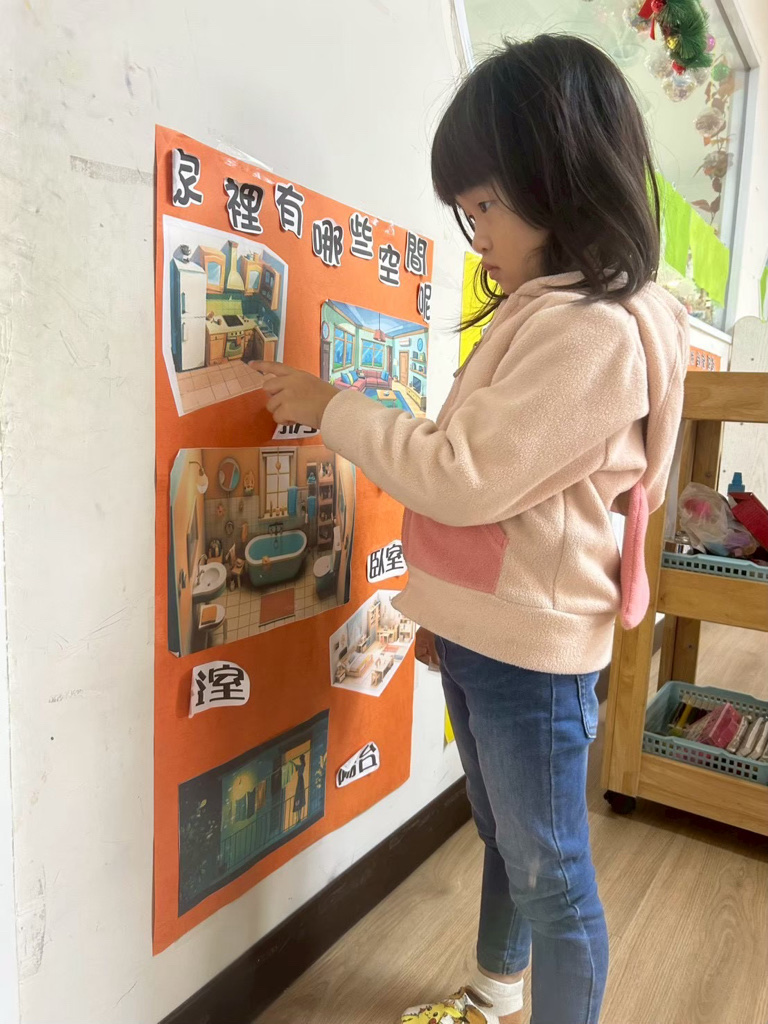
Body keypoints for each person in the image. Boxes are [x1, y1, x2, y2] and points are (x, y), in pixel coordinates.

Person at [255, 34, 687, 1024]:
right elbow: (502, 495)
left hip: (531, 652)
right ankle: (494, 994)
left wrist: (332, 406)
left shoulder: (591, 330)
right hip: (497, 634)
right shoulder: (549, 313)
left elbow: (462, 477)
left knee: (551, 873)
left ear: (558, 181)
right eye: (467, 209)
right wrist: (445, 616)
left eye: (484, 205)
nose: (473, 231)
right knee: (506, 836)